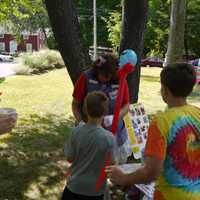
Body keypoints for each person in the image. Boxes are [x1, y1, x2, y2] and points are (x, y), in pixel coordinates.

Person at [106, 63, 200, 200]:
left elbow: (151, 173)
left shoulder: (161, 122)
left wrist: (124, 178)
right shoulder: (197, 114)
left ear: (165, 90)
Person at [72, 54, 131, 163]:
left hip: (115, 134)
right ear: (97, 70)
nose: (106, 78)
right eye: (103, 75)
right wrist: (81, 124)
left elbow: (126, 105)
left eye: (109, 75)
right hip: (90, 134)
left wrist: (115, 117)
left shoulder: (120, 79)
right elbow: (75, 104)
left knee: (114, 167)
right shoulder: (86, 78)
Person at [62, 91, 116, 200]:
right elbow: (111, 165)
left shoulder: (75, 132)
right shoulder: (109, 138)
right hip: (95, 191)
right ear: (105, 112)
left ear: (85, 110)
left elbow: (69, 158)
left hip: (74, 188)